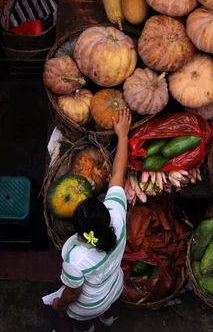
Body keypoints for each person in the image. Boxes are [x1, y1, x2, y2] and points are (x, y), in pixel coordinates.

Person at [51, 108, 131, 332]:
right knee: (106, 307)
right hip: (114, 287)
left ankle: (86, 329)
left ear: (77, 230)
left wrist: (60, 303)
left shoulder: (74, 256)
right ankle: (107, 318)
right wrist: (122, 136)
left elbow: (73, 291)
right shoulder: (117, 217)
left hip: (86, 305)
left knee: (80, 320)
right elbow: (118, 174)